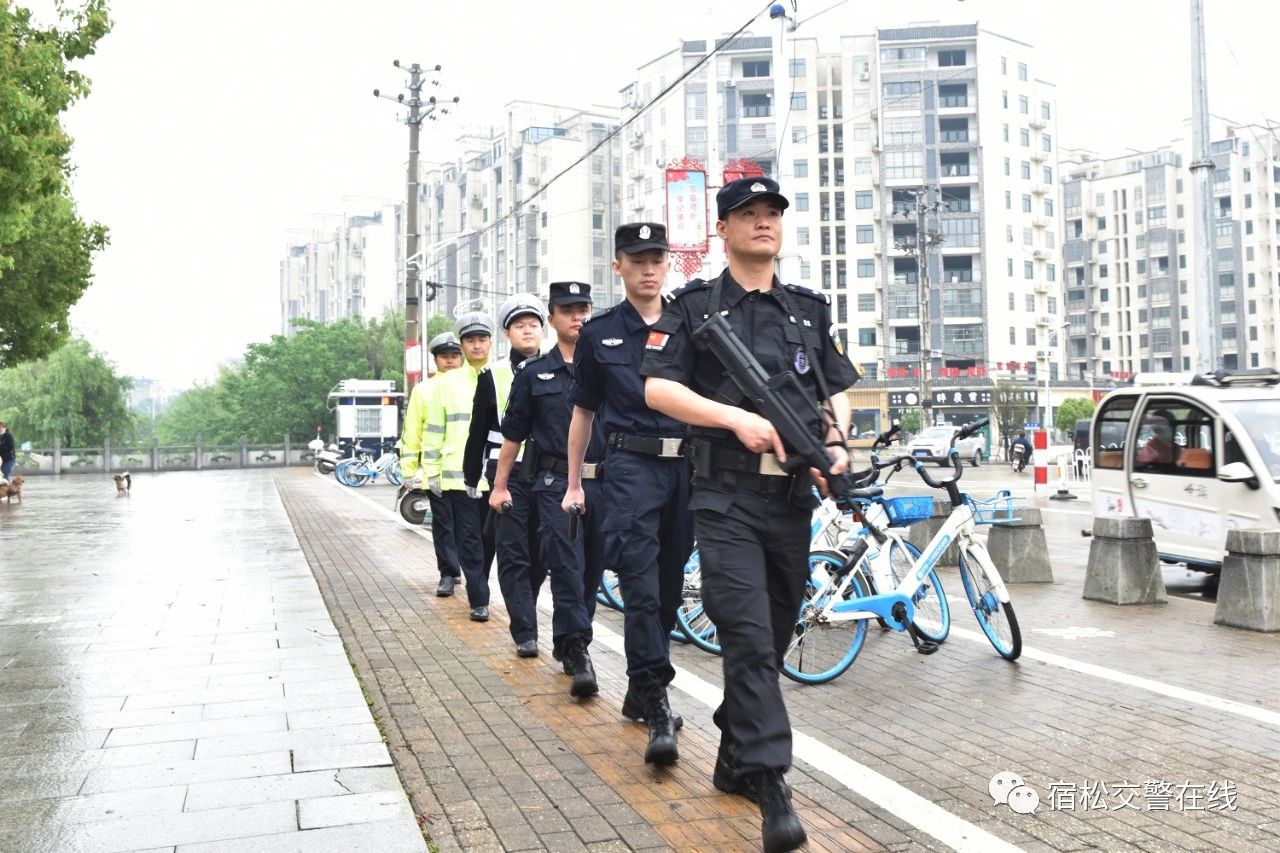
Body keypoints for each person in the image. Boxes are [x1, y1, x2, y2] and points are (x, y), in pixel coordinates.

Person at [642, 177, 860, 853]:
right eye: (749, 214)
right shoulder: (694, 307)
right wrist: (734, 416)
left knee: (773, 628)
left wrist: (833, 441)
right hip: (725, 497)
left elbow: (837, 388)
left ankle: (734, 756)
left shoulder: (806, 309)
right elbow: (657, 387)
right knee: (745, 635)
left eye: (772, 214)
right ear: (724, 229)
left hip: (792, 498)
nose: (763, 223)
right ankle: (772, 785)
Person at [565, 223, 693, 766]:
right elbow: (583, 412)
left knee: (667, 589)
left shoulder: (690, 324)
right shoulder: (599, 334)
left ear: (667, 264)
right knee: (639, 584)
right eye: (636, 259)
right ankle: (658, 702)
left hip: (685, 469)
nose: (648, 268)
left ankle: (640, 691)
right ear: (617, 266)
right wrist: (574, 482)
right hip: (628, 468)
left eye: (656, 258)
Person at [494, 281, 606, 696]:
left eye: (583, 309)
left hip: (604, 483)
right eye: (568, 310)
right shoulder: (533, 374)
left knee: (593, 569)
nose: (577, 317)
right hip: (554, 483)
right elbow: (513, 436)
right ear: (552, 318)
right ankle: (576, 650)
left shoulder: (610, 367)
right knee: (567, 566)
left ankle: (574, 641)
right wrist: (499, 486)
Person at [422, 313, 508, 621]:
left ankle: (480, 583)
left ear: (490, 341)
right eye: (470, 340)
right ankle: (479, 599)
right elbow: (434, 429)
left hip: (497, 476)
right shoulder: (445, 384)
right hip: (459, 479)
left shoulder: (503, 375)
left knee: (490, 540)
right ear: (461, 345)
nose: (477, 345)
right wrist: (430, 471)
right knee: (469, 539)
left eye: (482, 339)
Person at [486, 293, 550, 658]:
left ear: (543, 329)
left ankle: (527, 603)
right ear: (507, 334)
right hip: (505, 476)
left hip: (545, 475)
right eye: (519, 326)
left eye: (533, 324)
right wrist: (477, 481)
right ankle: (525, 630)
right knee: (513, 555)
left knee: (540, 556)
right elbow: (481, 431)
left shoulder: (560, 367)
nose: (527, 331)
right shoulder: (492, 375)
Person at [401, 333, 466, 596]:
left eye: (454, 356)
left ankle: (470, 570)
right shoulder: (423, 390)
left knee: (469, 527)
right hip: (435, 470)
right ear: (436, 359)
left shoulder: (474, 385)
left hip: (468, 471)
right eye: (444, 357)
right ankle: (448, 573)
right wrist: (408, 471)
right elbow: (413, 430)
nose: (450, 361)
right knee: (443, 523)